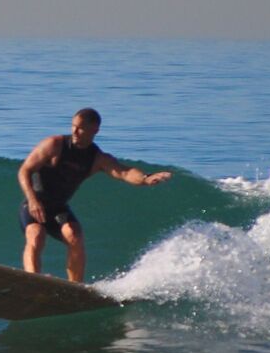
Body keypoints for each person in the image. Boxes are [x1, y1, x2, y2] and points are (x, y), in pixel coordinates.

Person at [18, 108, 171, 282]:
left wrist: (145, 178)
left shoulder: (97, 158)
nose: (75, 131)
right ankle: (32, 280)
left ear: (95, 130)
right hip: (34, 202)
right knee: (36, 234)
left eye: (81, 128)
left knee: (74, 235)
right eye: (73, 126)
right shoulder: (54, 145)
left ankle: (75, 287)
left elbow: (124, 172)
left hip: (58, 206)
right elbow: (25, 170)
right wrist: (32, 200)